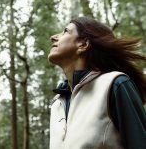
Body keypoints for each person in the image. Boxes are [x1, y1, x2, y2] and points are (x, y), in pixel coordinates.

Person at [48, 16, 146, 149]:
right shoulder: (57, 103)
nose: (53, 37)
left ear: (83, 44)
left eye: (65, 31)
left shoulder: (115, 84)